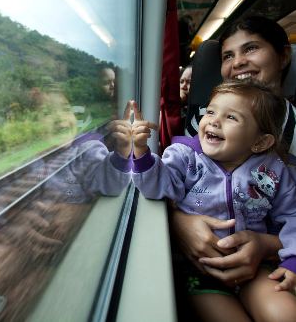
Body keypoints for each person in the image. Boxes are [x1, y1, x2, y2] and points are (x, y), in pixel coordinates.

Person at [111, 81, 296, 321]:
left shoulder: (273, 171)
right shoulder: (185, 157)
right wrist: (141, 153)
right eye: (210, 111)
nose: (214, 121)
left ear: (260, 142)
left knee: (285, 314)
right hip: (203, 269)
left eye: (231, 117)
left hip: (256, 265)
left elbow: (292, 215)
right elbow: (158, 186)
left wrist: (292, 260)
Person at [174, 16, 294, 294]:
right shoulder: (203, 124)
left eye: (251, 48)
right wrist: (180, 222)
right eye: (228, 55)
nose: (238, 62)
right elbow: (177, 181)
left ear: (284, 55)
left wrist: (268, 246)